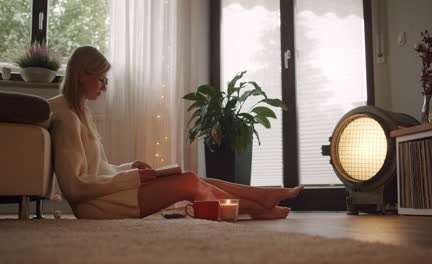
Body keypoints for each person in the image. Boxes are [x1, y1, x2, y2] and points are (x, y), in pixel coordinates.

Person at [49, 46, 304, 220]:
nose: (105, 87)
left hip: (111, 193)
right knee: (190, 182)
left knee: (192, 177)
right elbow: (74, 187)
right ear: (82, 74)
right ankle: (257, 208)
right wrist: (132, 178)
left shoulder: (80, 113)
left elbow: (98, 169)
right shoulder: (67, 118)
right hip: (98, 206)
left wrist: (130, 168)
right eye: (102, 79)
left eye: (106, 80)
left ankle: (261, 197)